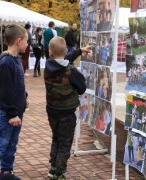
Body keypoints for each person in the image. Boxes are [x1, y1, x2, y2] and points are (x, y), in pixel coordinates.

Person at [0, 24, 29, 180]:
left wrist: (25, 97)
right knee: (0, 146)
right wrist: (12, 113)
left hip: (17, 111)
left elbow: (17, 83)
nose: (27, 44)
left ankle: (6, 173)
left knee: (11, 145)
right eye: (26, 41)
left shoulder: (16, 59)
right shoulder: (5, 62)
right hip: (7, 114)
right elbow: (3, 91)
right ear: (18, 41)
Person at [44, 36, 91, 180]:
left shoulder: (47, 65)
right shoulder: (72, 72)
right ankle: (59, 173)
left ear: (50, 52)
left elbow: (63, 58)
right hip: (67, 114)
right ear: (66, 50)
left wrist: (78, 51)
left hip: (52, 111)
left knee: (56, 138)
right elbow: (82, 88)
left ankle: (53, 167)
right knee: (65, 142)